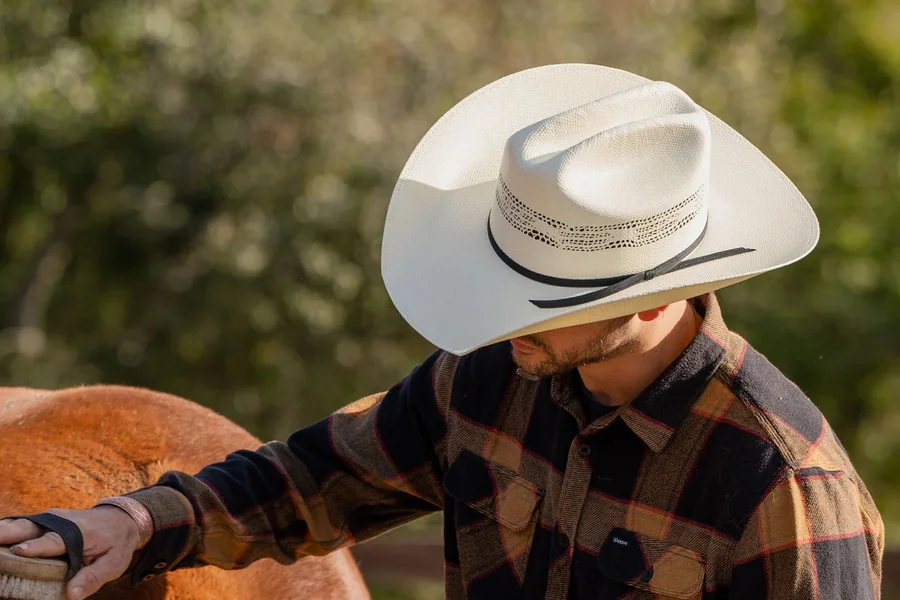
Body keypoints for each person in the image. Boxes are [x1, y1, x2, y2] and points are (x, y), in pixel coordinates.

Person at [0, 64, 883, 599]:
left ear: (652, 300)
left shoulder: (785, 487)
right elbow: (316, 478)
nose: (503, 324)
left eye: (541, 304)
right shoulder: (494, 379)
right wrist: (137, 522)